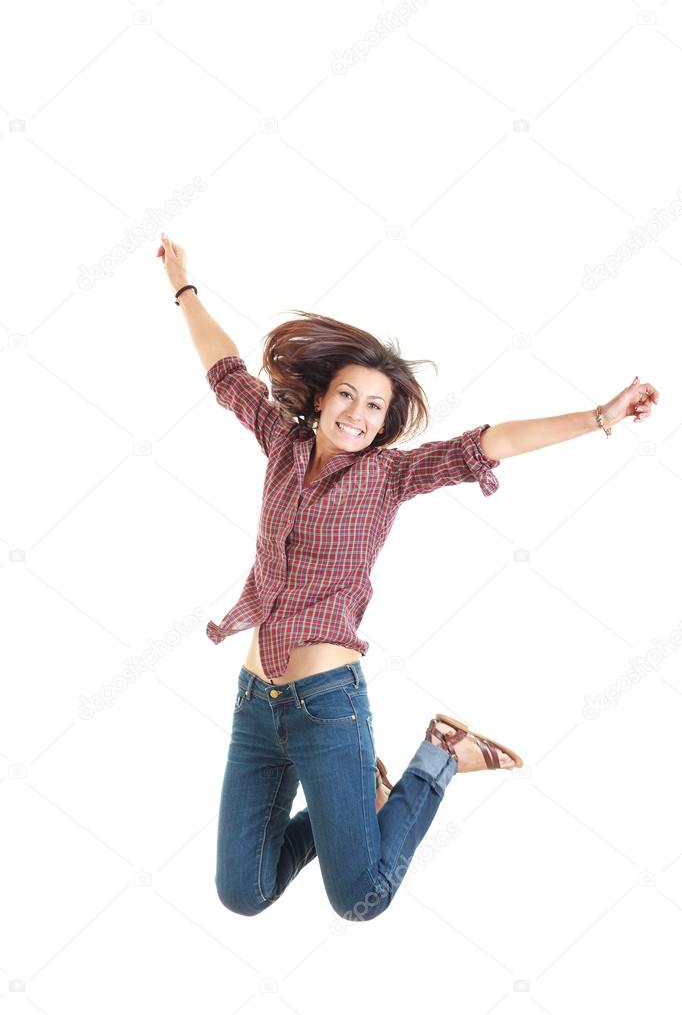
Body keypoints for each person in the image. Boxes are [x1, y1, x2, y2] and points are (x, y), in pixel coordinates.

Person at [157, 232, 659, 921]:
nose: (358, 414)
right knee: (243, 890)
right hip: (255, 700)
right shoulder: (282, 443)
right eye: (347, 396)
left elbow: (490, 442)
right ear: (323, 396)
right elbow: (224, 370)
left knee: (359, 897)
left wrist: (599, 415)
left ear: (387, 419)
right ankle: (363, 801)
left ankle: (441, 757)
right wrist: (183, 286)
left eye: (374, 406)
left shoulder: (390, 475)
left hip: (327, 703)